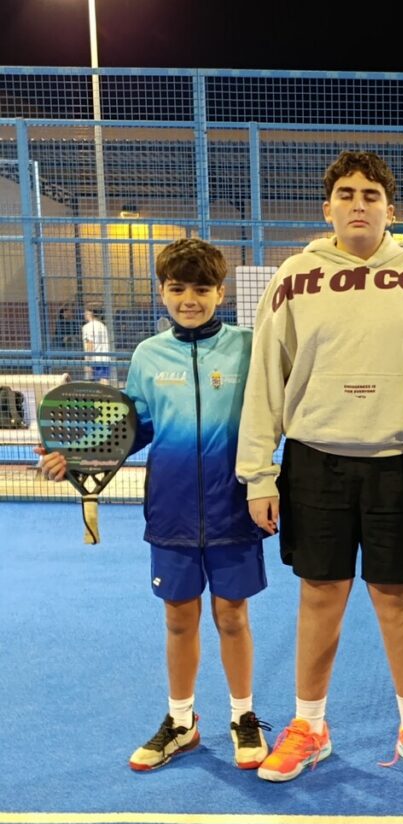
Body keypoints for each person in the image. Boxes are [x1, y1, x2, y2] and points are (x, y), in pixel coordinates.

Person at [237, 150, 403, 784]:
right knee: (320, 594)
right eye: (345, 193)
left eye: (371, 195)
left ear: (390, 209)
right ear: (327, 208)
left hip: (400, 464)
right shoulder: (294, 276)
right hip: (314, 461)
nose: (357, 204)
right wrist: (259, 473)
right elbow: (265, 379)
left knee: (397, 595)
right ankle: (309, 727)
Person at [39, 239, 270, 771]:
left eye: (202, 288)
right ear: (162, 291)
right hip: (170, 511)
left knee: (232, 616)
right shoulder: (147, 355)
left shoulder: (248, 347)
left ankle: (243, 717)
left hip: (234, 507)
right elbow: (130, 429)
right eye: (177, 288)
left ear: (221, 291)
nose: (190, 299)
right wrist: (72, 457)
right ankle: (182, 722)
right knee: (178, 619)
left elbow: (272, 417)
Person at [82, 306, 111, 384]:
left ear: (90, 313)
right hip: (105, 358)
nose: (84, 314)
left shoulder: (87, 327)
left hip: (94, 360)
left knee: (94, 387)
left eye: (85, 312)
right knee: (104, 383)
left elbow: (90, 344)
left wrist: (88, 362)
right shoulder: (103, 326)